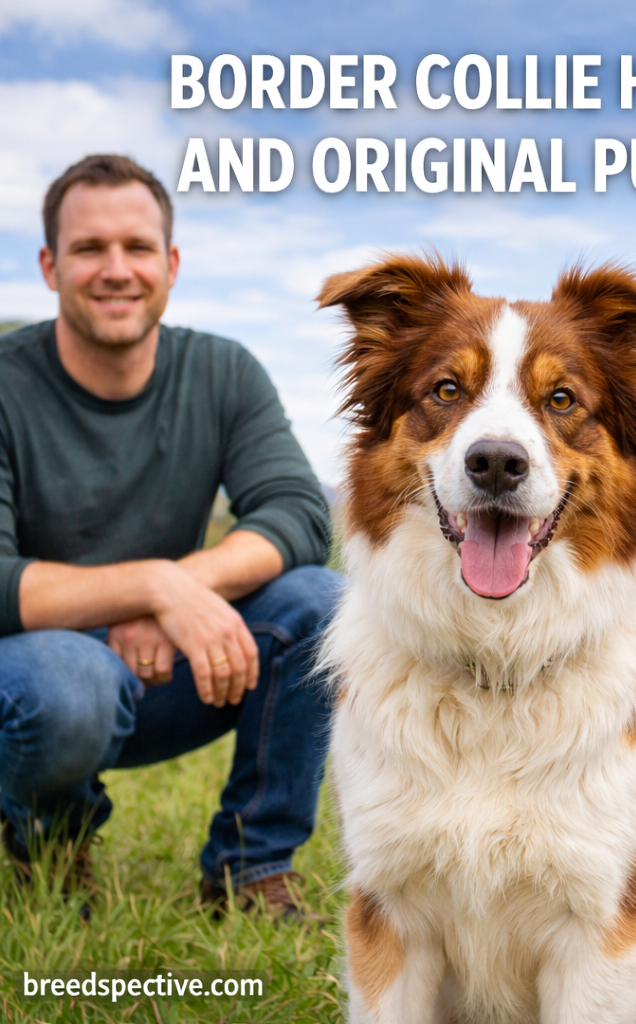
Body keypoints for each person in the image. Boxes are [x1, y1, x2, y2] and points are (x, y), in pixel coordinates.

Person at [0, 154, 339, 919]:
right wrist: (153, 585)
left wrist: (183, 589)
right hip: (31, 684)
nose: (117, 269)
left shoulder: (223, 372)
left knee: (322, 604)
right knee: (65, 682)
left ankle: (251, 868)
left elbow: (297, 513)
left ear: (171, 264)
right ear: (49, 266)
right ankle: (48, 845)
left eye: (138, 247)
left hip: (170, 674)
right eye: (90, 248)